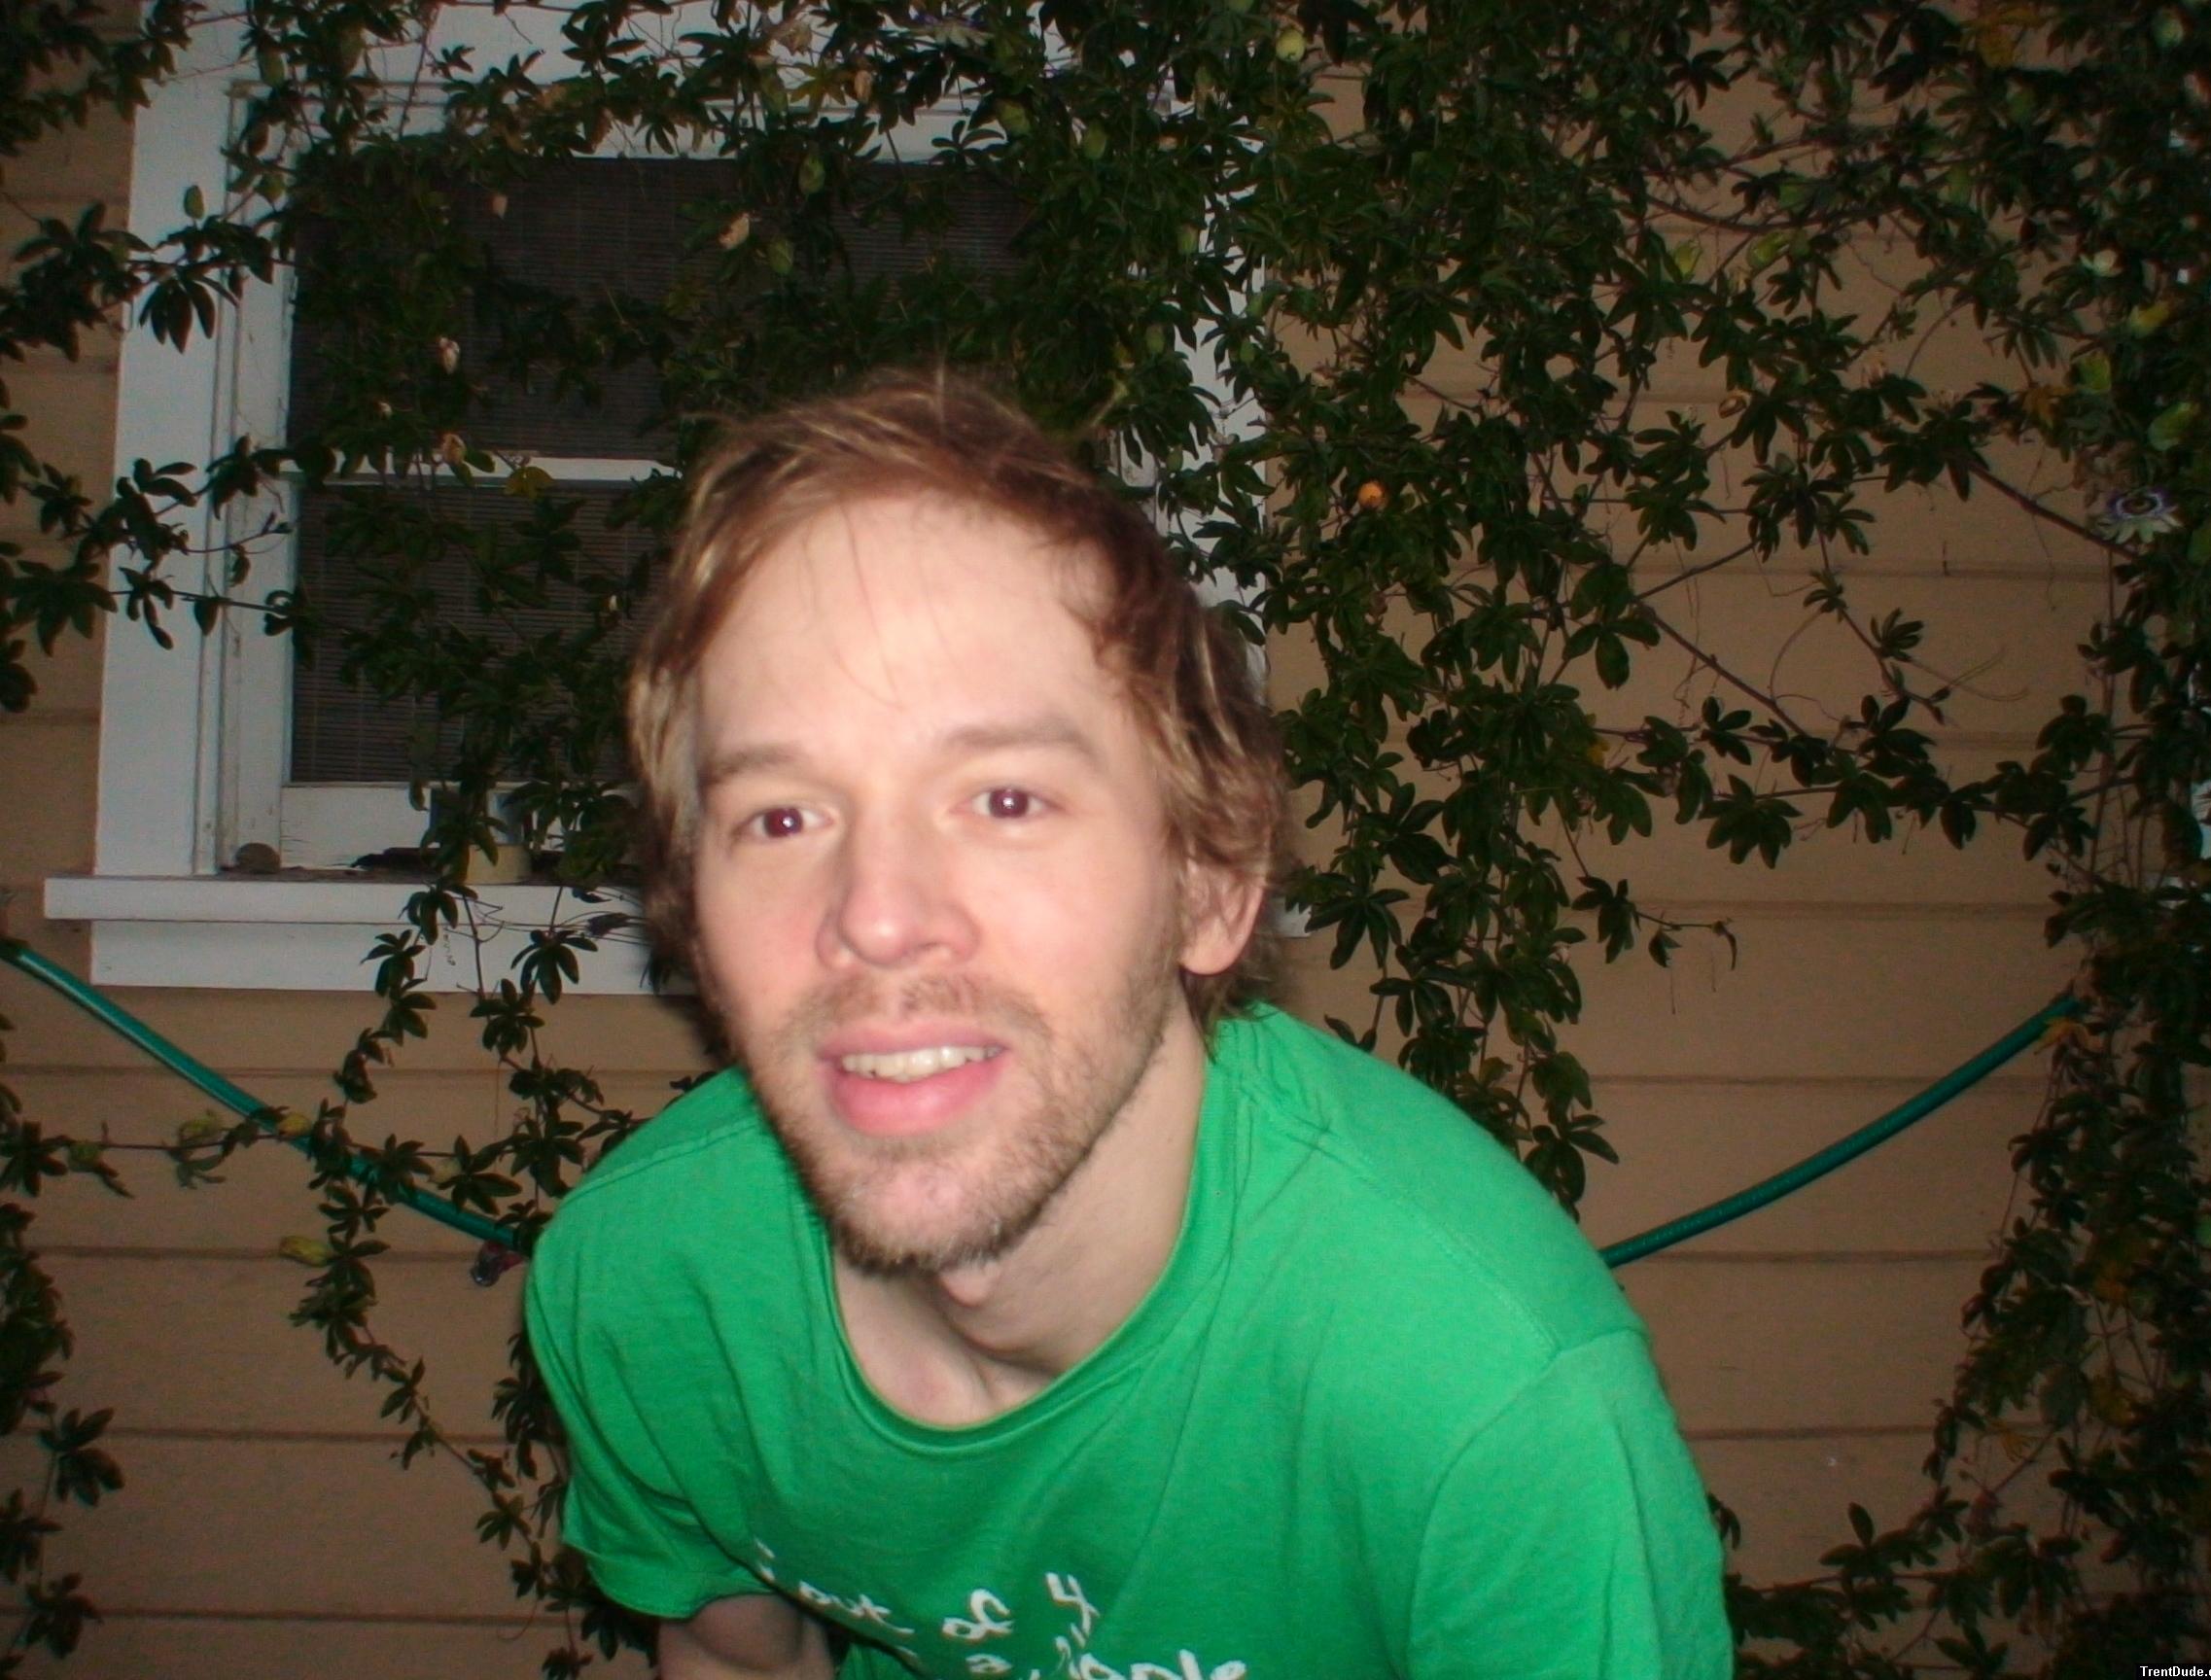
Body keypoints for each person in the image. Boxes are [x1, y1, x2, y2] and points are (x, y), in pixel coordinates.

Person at [524, 370, 1733, 1680]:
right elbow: (738, 1658)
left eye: (1003, 801)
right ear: (692, 921)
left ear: (1210, 886)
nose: (875, 916)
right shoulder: (652, 1289)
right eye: (780, 817)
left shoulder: (1483, 1407)